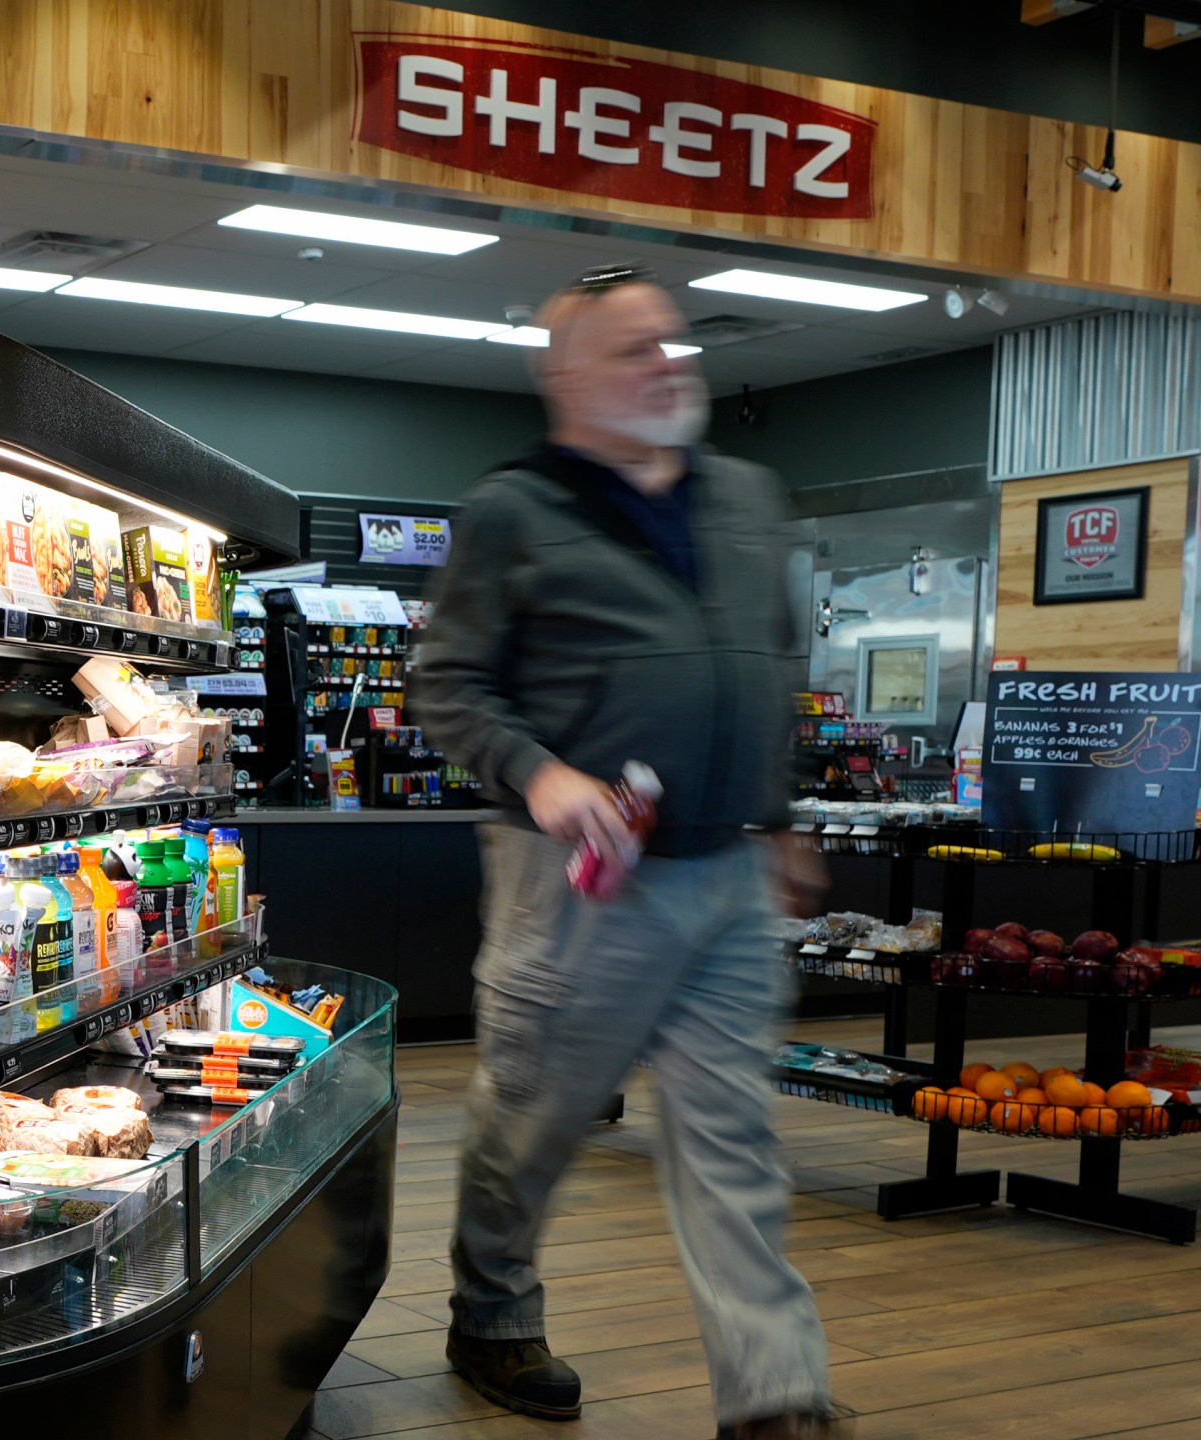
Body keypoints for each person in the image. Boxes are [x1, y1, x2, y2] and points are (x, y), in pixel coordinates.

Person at [411, 266, 840, 1440]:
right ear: (563, 379)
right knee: (532, 1124)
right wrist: (540, 773)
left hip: (726, 879)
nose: (668, 364)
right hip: (577, 885)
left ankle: (774, 1394)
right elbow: (444, 683)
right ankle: (491, 1316)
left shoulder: (747, 496)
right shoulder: (514, 509)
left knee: (733, 1141)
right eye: (631, 351)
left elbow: (762, 671)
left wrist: (781, 810)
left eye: (674, 343)